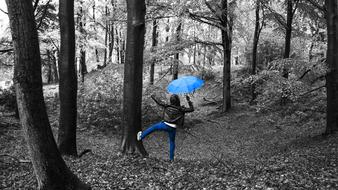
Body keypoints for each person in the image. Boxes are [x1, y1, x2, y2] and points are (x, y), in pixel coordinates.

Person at [137, 94, 194, 161]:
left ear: (171, 101)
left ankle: (141, 136)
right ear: (178, 101)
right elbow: (191, 109)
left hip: (164, 125)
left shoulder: (167, 106)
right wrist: (188, 100)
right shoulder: (181, 109)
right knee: (172, 142)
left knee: (153, 128)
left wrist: (153, 96)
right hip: (172, 128)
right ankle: (171, 159)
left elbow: (159, 102)